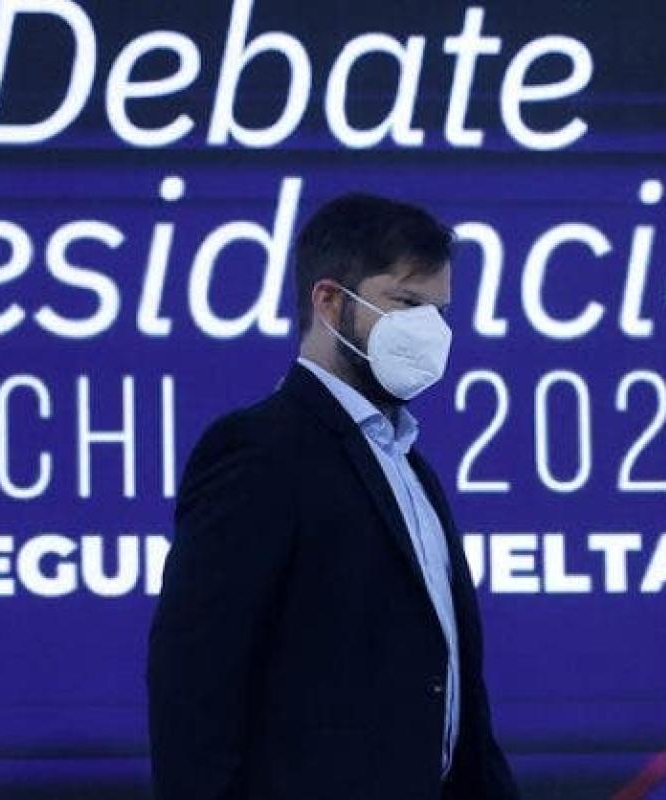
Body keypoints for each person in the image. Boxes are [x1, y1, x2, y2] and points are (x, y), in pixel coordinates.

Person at [147, 194, 519, 800]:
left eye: (441, 311)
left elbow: (452, 693)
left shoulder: (411, 469)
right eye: (407, 303)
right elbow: (193, 681)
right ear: (328, 301)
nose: (431, 330)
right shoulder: (259, 451)